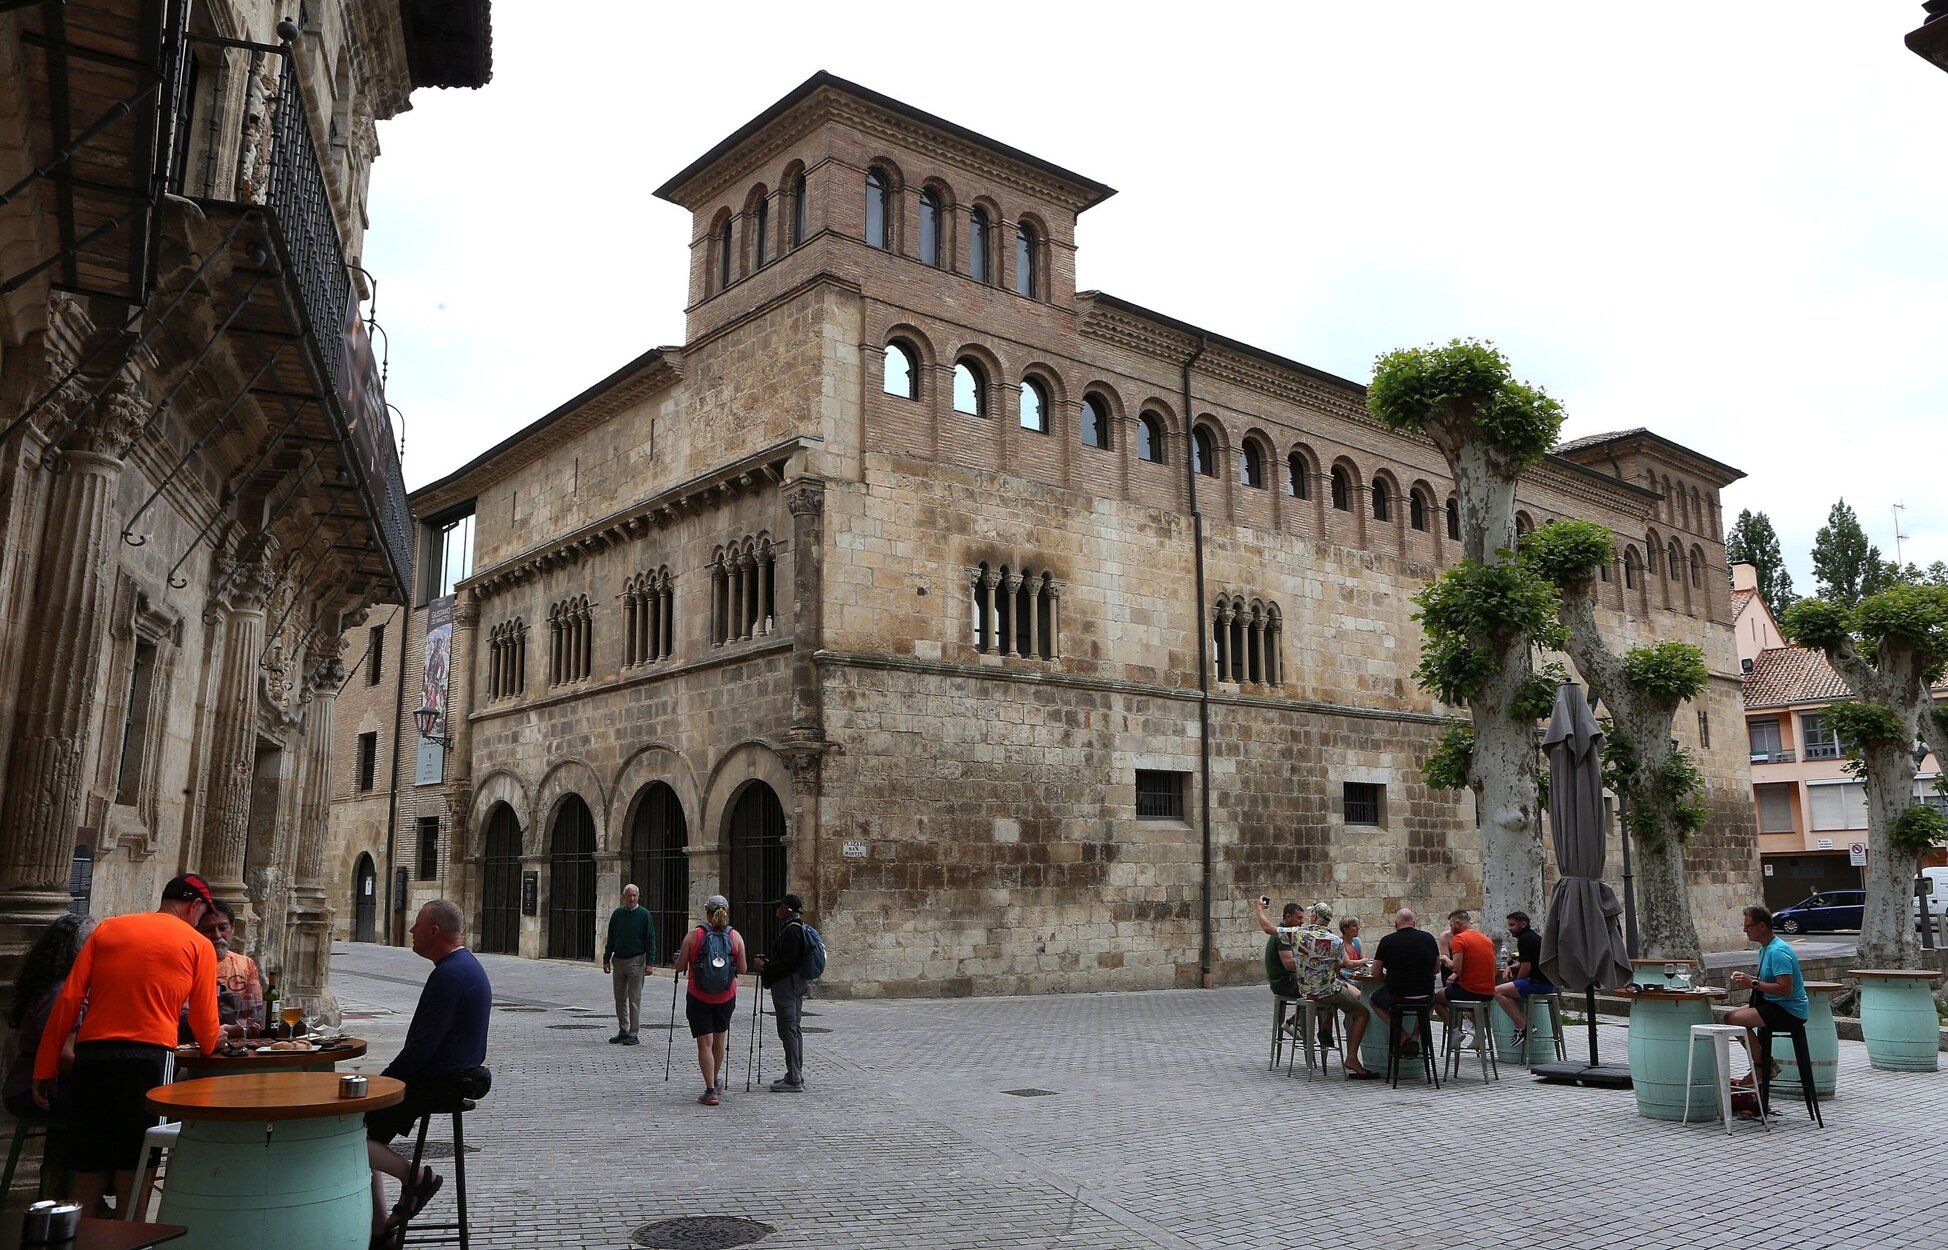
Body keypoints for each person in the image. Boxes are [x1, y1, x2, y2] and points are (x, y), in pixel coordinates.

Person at [33, 875, 221, 1216]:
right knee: (139, 1158)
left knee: (89, 1159)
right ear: (195, 906)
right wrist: (211, 1044)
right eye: (203, 914)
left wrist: (44, 1067)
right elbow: (203, 1022)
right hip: (151, 1055)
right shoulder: (199, 945)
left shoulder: (108, 928)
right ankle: (130, 1232)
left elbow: (70, 999)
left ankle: (82, 1232)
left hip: (93, 1055)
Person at [364, 900, 492, 1246]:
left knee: (350, 1133)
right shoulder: (465, 966)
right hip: (452, 1076)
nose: (411, 930)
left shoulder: (449, 975)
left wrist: (383, 1083)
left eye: (416, 924)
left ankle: (417, 1178)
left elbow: (420, 1049)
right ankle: (380, 1229)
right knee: (363, 1130)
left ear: (434, 931)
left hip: (436, 1081)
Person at [4, 915, 90, 1192]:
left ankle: (67, 1187)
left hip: (41, 1083)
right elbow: (64, 1057)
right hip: (32, 1089)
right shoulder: (62, 993)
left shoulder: (59, 987)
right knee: (106, 1106)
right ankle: (78, 1190)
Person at [1253, 898, 1373, 1078]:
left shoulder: (1298, 934)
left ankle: (1322, 1029)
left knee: (1335, 999)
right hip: (1328, 991)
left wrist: (1259, 908)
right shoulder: (1335, 941)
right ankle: (1351, 1057)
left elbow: (1268, 928)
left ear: (1315, 917)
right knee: (1361, 1012)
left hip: (1306, 991)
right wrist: (1362, 961)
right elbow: (1345, 964)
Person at [1726, 904, 1808, 1110]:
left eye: (1748, 926)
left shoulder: (1778, 952)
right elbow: (1767, 983)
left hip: (1789, 1010)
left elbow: (1785, 989)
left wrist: (1752, 983)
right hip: (1774, 1004)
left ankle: (1763, 1066)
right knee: (1730, 1017)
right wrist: (1749, 980)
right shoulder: (1766, 949)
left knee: (1735, 1019)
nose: (1745, 930)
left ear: (1762, 926)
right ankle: (1764, 1064)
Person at [672, 895, 746, 1106]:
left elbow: (680, 966)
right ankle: (715, 1079)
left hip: (699, 996)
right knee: (719, 1040)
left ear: (707, 913)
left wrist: (679, 959)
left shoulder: (694, 936)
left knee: (704, 1043)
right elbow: (742, 969)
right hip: (726, 996)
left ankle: (710, 1090)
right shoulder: (735, 936)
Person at [755, 894, 811, 1092]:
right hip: (795, 985)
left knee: (788, 1030)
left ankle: (794, 1079)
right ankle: (794, 1073)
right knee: (794, 1029)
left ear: (786, 908)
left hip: (787, 986)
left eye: (779, 906)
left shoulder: (791, 931)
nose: (777, 909)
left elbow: (789, 963)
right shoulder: (796, 927)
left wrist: (766, 966)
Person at [1367, 908, 1440, 1054]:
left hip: (1397, 996)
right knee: (1430, 1003)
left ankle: (1402, 1034)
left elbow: (1375, 973)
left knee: (1373, 1000)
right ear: (1414, 923)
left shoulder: (1387, 941)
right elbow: (1436, 968)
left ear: (1395, 923)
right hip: (1424, 995)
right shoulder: (1429, 938)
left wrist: (1387, 980)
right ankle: (1415, 1036)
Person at [602, 883, 655, 1046]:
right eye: (629, 895)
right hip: (618, 960)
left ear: (638, 897)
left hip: (636, 961)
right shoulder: (617, 914)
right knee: (619, 998)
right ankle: (623, 1030)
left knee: (634, 998)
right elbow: (611, 937)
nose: (632, 899)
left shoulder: (644, 915)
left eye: (634, 896)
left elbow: (650, 940)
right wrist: (606, 958)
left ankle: (633, 1032)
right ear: (624, 896)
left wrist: (650, 963)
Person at [198, 899, 262, 1032]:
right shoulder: (189, 963)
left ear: (233, 928)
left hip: (240, 1035)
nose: (217, 935)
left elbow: (255, 1007)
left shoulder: (246, 964)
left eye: (223, 928)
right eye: (208, 929)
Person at [1435, 910, 1498, 1038]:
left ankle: (1455, 1032)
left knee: (1435, 999)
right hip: (1489, 993)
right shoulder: (1486, 939)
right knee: (1457, 996)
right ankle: (1479, 1035)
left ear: (1457, 923)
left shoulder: (1459, 938)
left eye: (1451, 925)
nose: (1451, 929)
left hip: (1469, 991)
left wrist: (1445, 959)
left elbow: (1456, 968)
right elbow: (1495, 969)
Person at [1493, 910, 1551, 1044]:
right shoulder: (1532, 936)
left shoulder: (1524, 939)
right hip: (1547, 982)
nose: (1509, 929)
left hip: (1538, 983)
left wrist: (1517, 983)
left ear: (1523, 924)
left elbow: (1526, 966)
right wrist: (1510, 967)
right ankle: (1524, 1026)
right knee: (1505, 991)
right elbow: (1525, 961)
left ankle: (1523, 1026)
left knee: (1496, 991)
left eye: (1512, 925)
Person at [1260, 901, 1307, 1001]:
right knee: (1321, 990)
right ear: (1288, 917)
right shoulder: (1284, 936)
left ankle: (1303, 1011)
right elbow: (1289, 964)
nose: (1302, 922)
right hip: (1285, 983)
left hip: (1284, 981)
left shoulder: (1285, 932)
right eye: (1299, 918)